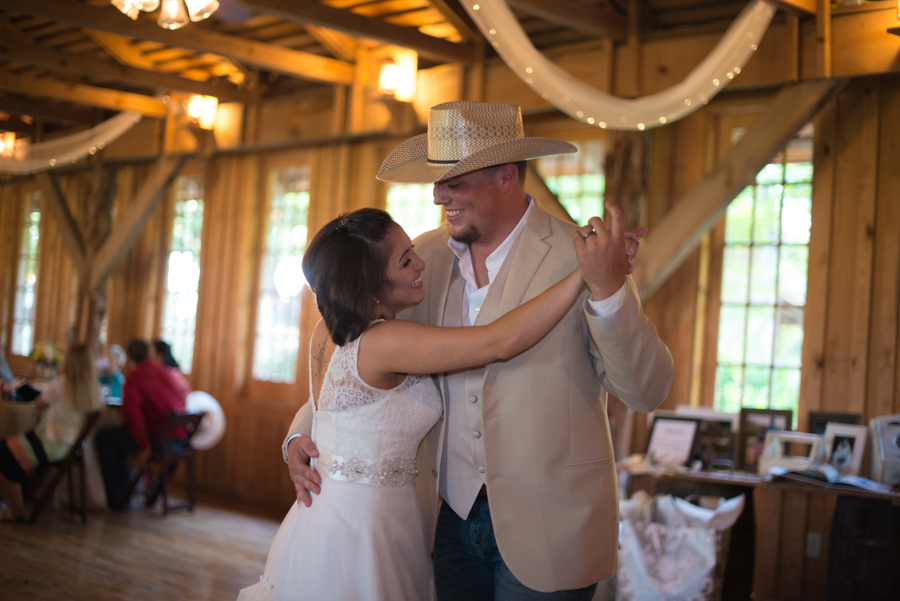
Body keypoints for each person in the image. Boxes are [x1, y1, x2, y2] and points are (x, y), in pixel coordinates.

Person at [285, 101, 675, 600]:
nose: (436, 196)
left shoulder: (581, 256)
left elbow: (647, 390)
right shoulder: (416, 260)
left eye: (454, 181)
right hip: (441, 519)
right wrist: (300, 435)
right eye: (436, 181)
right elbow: (347, 360)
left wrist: (610, 291)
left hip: (550, 525)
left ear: (507, 176)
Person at [239, 207, 596, 601]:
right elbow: (499, 341)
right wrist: (583, 275)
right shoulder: (388, 342)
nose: (421, 263)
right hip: (367, 528)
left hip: (331, 515)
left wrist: (294, 441)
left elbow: (322, 405)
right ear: (370, 283)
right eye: (406, 260)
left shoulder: (327, 330)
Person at [0, 344, 101, 521]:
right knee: (7, 449)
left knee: (3, 453)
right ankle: (20, 495)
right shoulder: (95, 390)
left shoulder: (62, 383)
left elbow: (39, 403)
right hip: (71, 446)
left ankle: (18, 508)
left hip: (51, 443)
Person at [96, 339, 187, 509]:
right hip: (180, 437)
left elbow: (132, 414)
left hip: (161, 439)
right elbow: (180, 400)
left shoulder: (135, 377)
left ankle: (119, 496)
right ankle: (129, 492)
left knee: (104, 438)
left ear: (129, 358)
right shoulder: (164, 371)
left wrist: (144, 446)